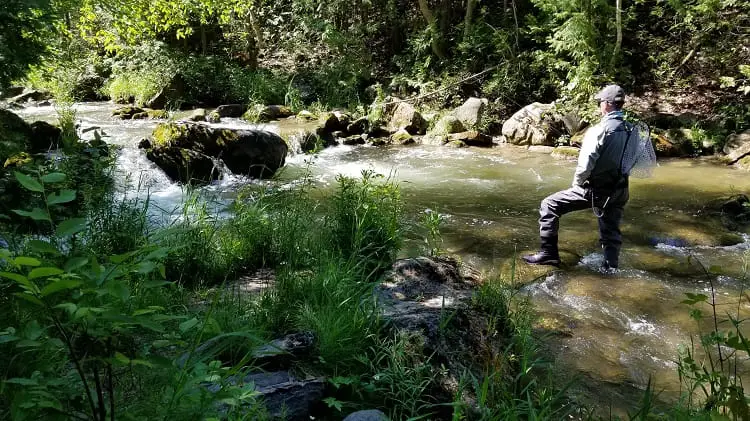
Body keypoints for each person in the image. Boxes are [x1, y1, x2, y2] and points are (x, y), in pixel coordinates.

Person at [523, 84, 634, 270]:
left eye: (600, 102)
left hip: (598, 191)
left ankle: (549, 255)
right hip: (620, 189)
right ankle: (611, 268)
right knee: (610, 231)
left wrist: (577, 185)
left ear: (606, 104)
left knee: (549, 205)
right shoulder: (631, 129)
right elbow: (633, 159)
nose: (599, 105)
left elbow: (585, 164)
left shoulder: (599, 130)